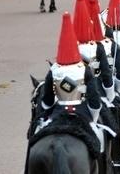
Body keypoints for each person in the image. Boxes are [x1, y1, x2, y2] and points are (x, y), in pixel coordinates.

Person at [38, 12, 103, 147]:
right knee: (100, 141)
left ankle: (29, 168)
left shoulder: (54, 69)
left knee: (36, 135)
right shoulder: (84, 69)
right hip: (82, 113)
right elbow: (94, 100)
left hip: (57, 114)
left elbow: (47, 101)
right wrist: (94, 118)